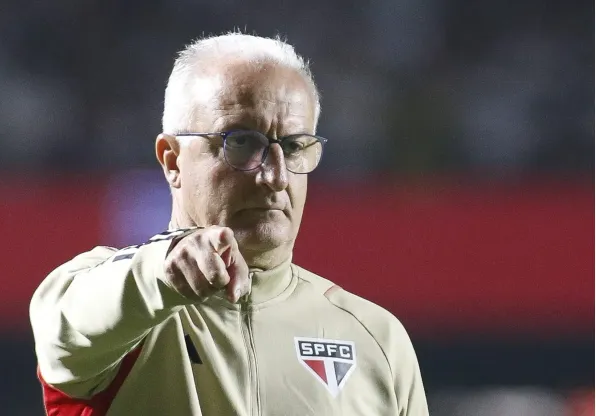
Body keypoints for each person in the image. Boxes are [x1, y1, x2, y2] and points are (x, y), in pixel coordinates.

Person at [30, 32, 429, 415]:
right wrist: (164, 269)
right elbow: (68, 323)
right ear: (172, 159)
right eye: (241, 142)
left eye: (293, 147)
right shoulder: (119, 306)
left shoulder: (376, 338)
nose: (275, 176)